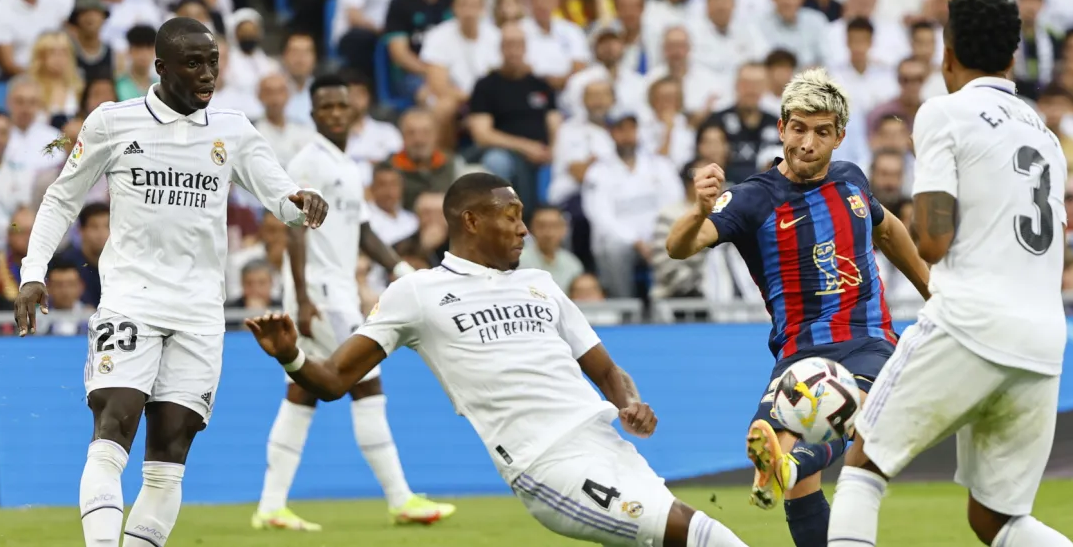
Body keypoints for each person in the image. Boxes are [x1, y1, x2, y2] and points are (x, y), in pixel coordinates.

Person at [243, 173, 753, 547]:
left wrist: (629, 401)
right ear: (471, 220)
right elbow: (333, 379)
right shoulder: (417, 293)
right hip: (546, 463)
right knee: (698, 534)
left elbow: (605, 369)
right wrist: (291, 355)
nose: (524, 230)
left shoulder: (540, 284)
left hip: (608, 446)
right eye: (511, 217)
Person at [13, 17, 329, 547]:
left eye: (212, 63)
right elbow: (61, 198)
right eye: (193, 63)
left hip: (200, 312)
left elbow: (283, 200)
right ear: (160, 68)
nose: (207, 74)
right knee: (115, 426)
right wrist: (31, 274)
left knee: (169, 458)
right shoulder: (113, 122)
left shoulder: (234, 130)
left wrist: (304, 205)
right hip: (131, 300)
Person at [827, 0, 1073, 547]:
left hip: (970, 323)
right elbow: (1054, 242)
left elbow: (934, 241)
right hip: (1041, 341)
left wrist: (889, 221)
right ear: (1012, 58)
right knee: (995, 519)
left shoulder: (944, 111)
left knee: (864, 467)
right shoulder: (1046, 135)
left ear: (947, 52)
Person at [664, 67, 930, 547]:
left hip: (866, 339)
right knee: (777, 453)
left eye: (822, 132)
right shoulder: (751, 199)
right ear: (783, 127)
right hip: (800, 353)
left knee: (852, 414)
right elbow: (679, 247)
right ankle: (788, 464)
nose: (808, 142)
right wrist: (698, 211)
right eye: (799, 128)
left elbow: (888, 229)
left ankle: (791, 460)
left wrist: (933, 292)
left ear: (839, 137)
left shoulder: (852, 180)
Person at [254, 73, 454, 531]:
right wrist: (302, 298)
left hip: (336, 290)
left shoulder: (347, 163)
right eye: (325, 107)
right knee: (367, 383)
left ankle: (270, 505)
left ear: (353, 110)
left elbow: (362, 231)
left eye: (341, 106)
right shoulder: (310, 160)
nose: (335, 114)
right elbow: (295, 225)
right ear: (314, 113)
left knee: (301, 393)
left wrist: (403, 270)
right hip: (323, 294)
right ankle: (402, 499)